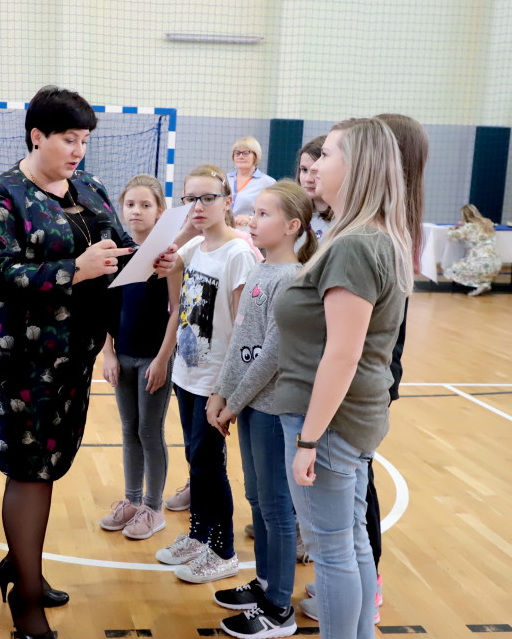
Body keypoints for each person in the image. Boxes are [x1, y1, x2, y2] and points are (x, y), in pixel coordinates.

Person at [0, 85, 177, 639]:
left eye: (84, 140)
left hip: (74, 353)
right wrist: (74, 269)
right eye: (69, 139)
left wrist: (149, 261)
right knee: (31, 469)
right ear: (37, 136)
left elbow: (115, 252)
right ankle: (27, 603)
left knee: (51, 463)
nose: (78, 150)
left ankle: (20, 565)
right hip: (20, 356)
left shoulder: (89, 187)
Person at [274, 118, 414, 639]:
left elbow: (343, 354)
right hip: (347, 418)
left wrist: (309, 438)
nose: (315, 165)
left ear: (355, 167)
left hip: (329, 421)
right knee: (350, 542)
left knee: (333, 551)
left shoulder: (355, 244)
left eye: (327, 155)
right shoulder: (369, 235)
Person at [205, 180, 316, 638]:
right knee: (257, 500)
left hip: (273, 410)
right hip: (249, 405)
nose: (252, 220)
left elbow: (272, 356)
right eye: (254, 213)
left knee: (276, 509)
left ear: (292, 226)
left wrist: (234, 400)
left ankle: (279, 608)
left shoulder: (292, 280)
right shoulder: (260, 270)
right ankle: (266, 582)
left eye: (264, 214)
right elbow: (241, 344)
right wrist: (220, 392)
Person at [156, 164, 259, 584]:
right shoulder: (195, 246)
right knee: (196, 461)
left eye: (207, 198)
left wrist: (224, 390)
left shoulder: (239, 253)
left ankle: (224, 550)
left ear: (228, 201)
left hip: (215, 382)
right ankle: (199, 536)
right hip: (187, 373)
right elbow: (159, 265)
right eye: (190, 199)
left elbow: (243, 329)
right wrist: (180, 237)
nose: (197, 206)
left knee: (209, 465)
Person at [99, 175, 177, 540]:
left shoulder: (169, 258)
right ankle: (131, 501)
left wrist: (162, 359)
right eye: (131, 204)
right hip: (123, 357)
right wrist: (108, 353)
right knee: (129, 430)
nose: (137, 211)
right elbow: (107, 310)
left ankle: (153, 507)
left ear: (160, 211)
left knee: (150, 430)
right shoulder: (117, 252)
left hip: (153, 359)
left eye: (146, 205)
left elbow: (177, 311)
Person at [444, 204, 501, 296]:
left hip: (479, 262)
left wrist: (453, 228)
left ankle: (479, 284)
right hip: (495, 262)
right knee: (483, 271)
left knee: (450, 269)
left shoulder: (469, 227)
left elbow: (452, 235)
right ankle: (484, 283)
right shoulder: (487, 223)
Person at [227, 137, 276, 228]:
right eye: (237, 153)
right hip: (223, 230)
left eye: (246, 153)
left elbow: (274, 212)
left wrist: (250, 217)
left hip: (248, 230)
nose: (240, 156)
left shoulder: (268, 183)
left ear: (256, 156)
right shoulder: (224, 179)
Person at [297, 135, 334, 244]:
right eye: (304, 170)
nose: (308, 179)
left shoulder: (341, 221)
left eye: (316, 171)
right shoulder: (293, 214)